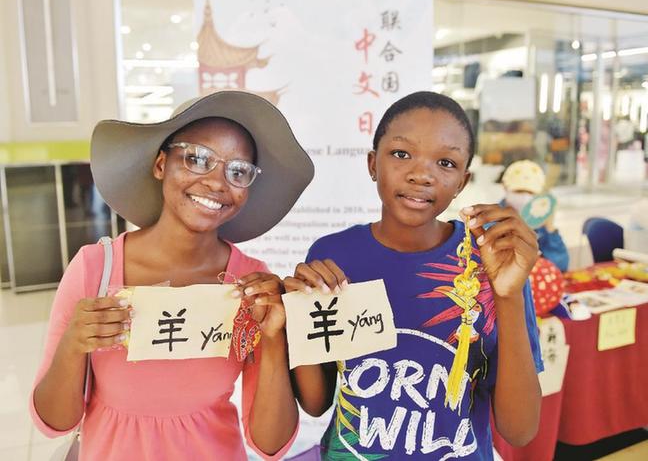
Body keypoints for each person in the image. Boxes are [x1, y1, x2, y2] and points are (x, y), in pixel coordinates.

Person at [30, 91, 313, 460]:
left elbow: (270, 445)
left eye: (238, 171)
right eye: (198, 159)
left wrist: (273, 340)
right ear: (161, 164)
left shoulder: (251, 282)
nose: (217, 182)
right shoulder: (95, 269)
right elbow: (53, 423)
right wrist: (73, 344)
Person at [284, 92, 543, 460]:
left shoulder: (491, 263)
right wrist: (297, 312)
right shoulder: (333, 255)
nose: (421, 174)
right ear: (372, 164)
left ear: (463, 181)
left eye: (445, 162)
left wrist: (509, 296)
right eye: (401, 154)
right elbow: (316, 402)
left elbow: (520, 430)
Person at [501, 160, 569, 272]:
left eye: (530, 192)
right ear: (504, 187)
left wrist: (550, 228)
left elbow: (561, 265)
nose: (524, 197)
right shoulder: (492, 219)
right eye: (519, 191)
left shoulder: (538, 220)